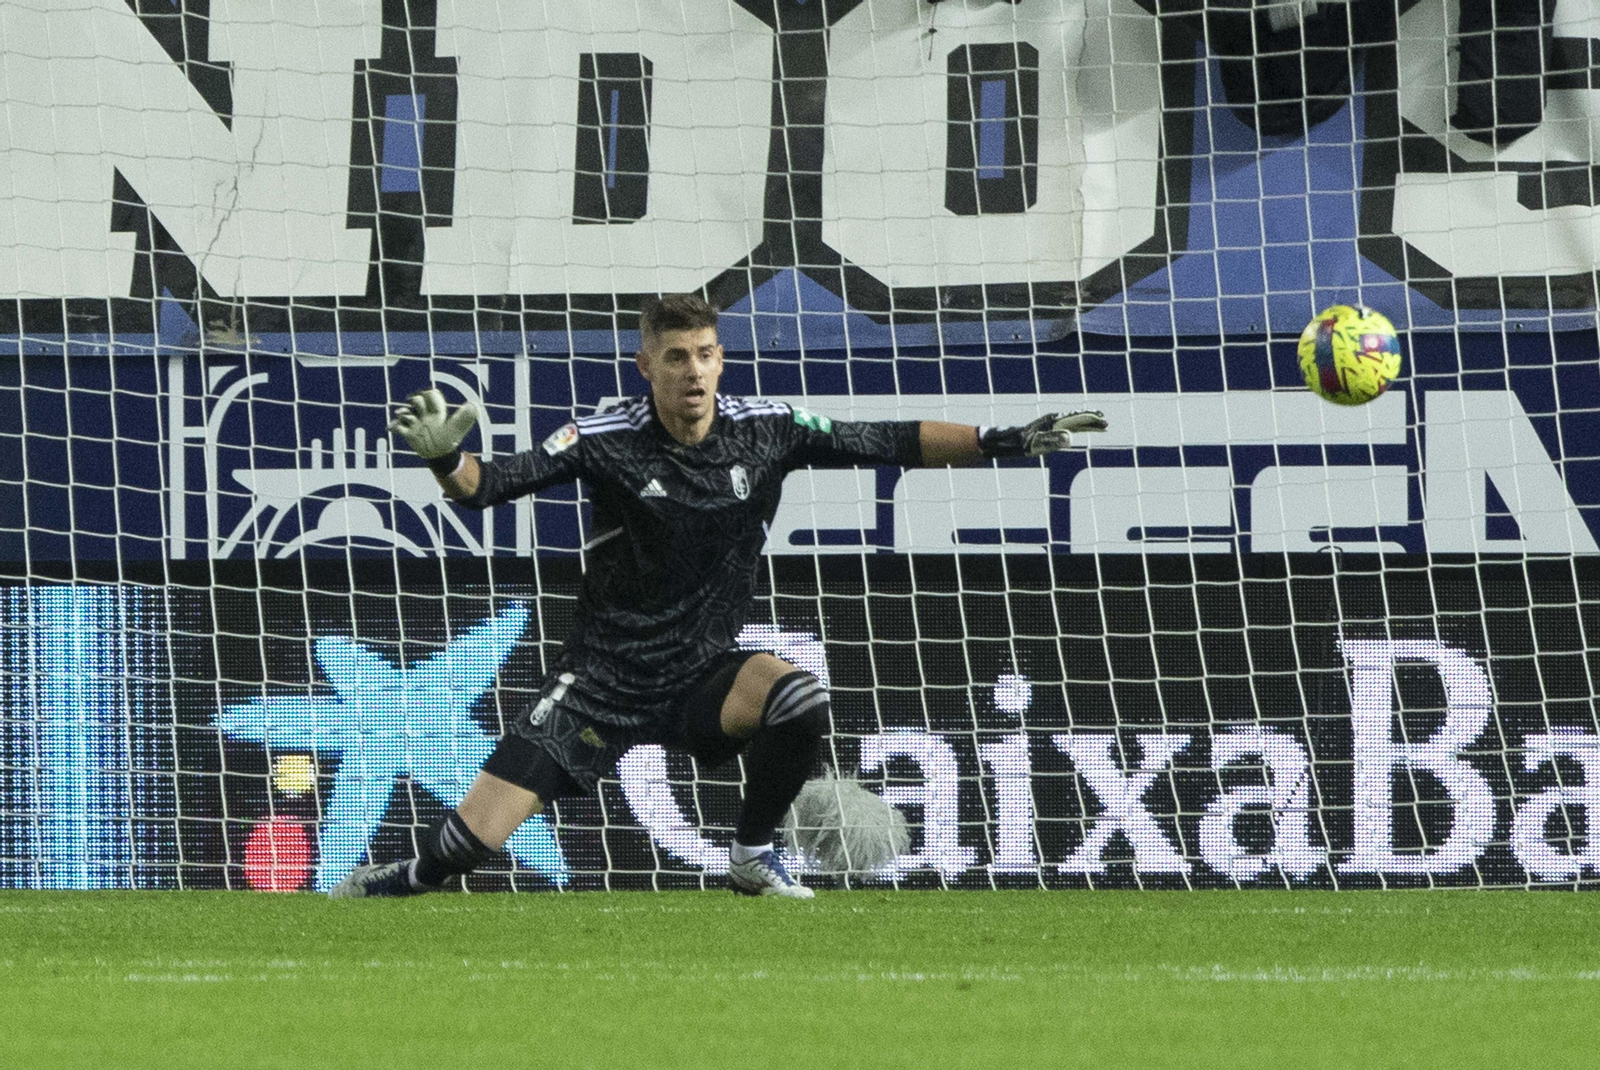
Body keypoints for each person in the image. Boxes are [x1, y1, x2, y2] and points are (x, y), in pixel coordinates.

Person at [332, 293, 1107, 899]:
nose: (694, 372)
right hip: (601, 683)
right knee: (460, 852)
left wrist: (996, 440)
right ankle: (397, 881)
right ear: (647, 368)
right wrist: (443, 457)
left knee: (797, 698)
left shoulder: (766, 429)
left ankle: (751, 855)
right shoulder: (603, 439)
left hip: (704, 677)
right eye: (676, 358)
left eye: (705, 355)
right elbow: (487, 487)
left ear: (720, 359)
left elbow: (886, 440)